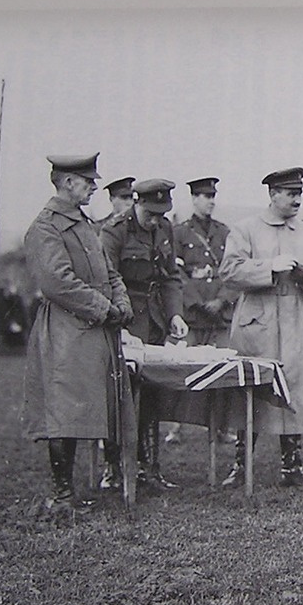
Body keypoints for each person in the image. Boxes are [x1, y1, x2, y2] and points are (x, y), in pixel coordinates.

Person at [22, 153, 133, 515]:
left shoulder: (84, 224)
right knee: (63, 412)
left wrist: (121, 300)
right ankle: (62, 495)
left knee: (87, 407)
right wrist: (104, 308)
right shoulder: (46, 227)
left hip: (95, 331)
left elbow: (108, 270)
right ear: (68, 182)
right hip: (68, 331)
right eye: (88, 181)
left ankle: (80, 488)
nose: (94, 187)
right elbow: (57, 283)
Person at [218, 168, 303, 487]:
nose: (297, 199)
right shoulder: (245, 229)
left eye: (300, 193)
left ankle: (293, 466)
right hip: (259, 322)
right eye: (290, 193)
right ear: (272, 194)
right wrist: (267, 268)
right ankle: (240, 464)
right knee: (252, 393)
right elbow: (229, 271)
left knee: (294, 391)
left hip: (299, 319)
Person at [101, 177, 188, 492]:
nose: (155, 220)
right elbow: (107, 281)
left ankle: (149, 468)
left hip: (153, 320)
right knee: (119, 395)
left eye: (160, 213)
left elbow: (170, 277)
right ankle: (114, 468)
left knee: (152, 393)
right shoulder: (114, 232)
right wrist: (119, 325)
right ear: (136, 202)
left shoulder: (164, 229)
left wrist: (175, 313)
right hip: (124, 319)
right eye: (150, 213)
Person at [173, 177, 236, 348]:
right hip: (193, 314)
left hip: (220, 315)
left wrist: (222, 300)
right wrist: (197, 303)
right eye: (206, 197)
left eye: (213, 196)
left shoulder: (224, 232)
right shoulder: (180, 233)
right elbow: (176, 273)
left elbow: (233, 269)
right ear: (194, 198)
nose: (212, 202)